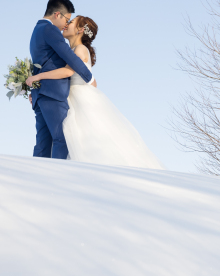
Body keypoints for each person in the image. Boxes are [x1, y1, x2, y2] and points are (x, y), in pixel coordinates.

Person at [26, 15, 164, 169]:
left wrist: (37, 77)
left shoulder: (79, 49)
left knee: (80, 141)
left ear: (80, 30)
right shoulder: (69, 50)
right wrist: (38, 89)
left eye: (71, 22)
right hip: (67, 96)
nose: (66, 24)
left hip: (78, 99)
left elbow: (66, 72)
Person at [29, 0, 94, 159]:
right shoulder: (49, 29)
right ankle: (56, 178)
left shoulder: (36, 31)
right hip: (53, 93)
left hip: (42, 95)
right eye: (67, 19)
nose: (66, 24)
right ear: (57, 14)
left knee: (43, 144)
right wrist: (90, 78)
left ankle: (35, 178)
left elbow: (40, 63)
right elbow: (69, 58)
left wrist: (34, 85)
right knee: (62, 139)